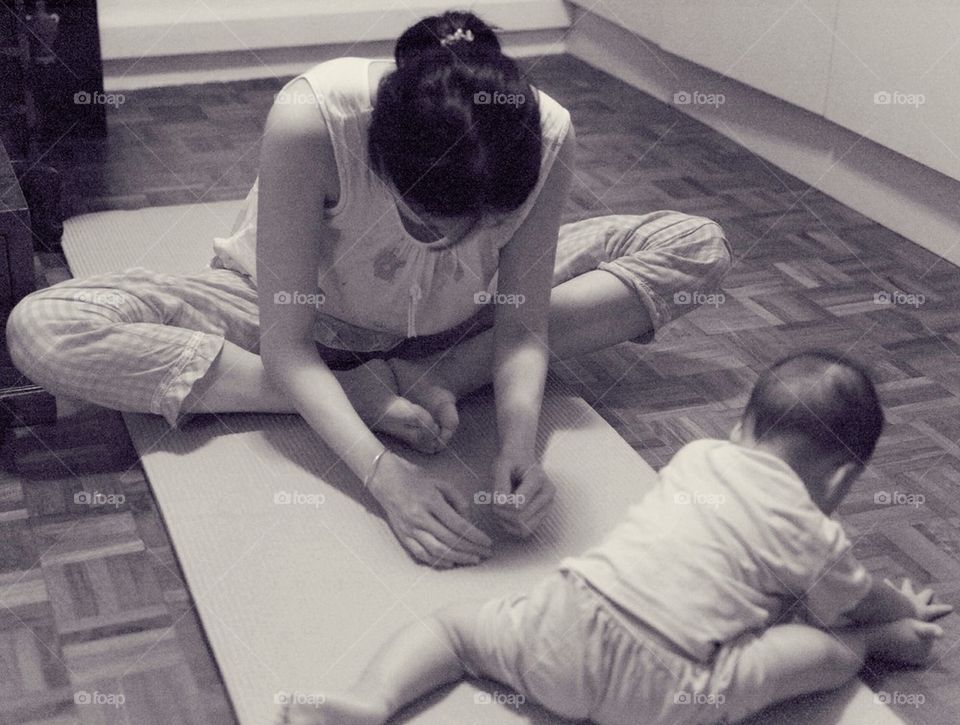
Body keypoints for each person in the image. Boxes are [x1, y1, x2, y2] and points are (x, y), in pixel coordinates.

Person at [5, 11, 730, 567]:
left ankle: (428, 375)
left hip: (457, 318)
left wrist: (520, 442)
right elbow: (287, 341)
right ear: (383, 161)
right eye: (428, 223)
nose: (456, 239)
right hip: (302, 319)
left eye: (488, 223)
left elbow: (522, 321)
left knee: (696, 245)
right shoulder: (312, 120)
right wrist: (385, 474)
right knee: (41, 328)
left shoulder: (544, 134)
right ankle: (355, 387)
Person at [280, 350, 953, 725]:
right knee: (819, 649)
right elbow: (856, 595)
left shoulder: (696, 459)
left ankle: (371, 701)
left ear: (740, 428)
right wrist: (891, 616)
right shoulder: (819, 535)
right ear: (839, 478)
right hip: (667, 691)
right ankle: (873, 653)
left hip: (561, 626)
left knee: (454, 631)